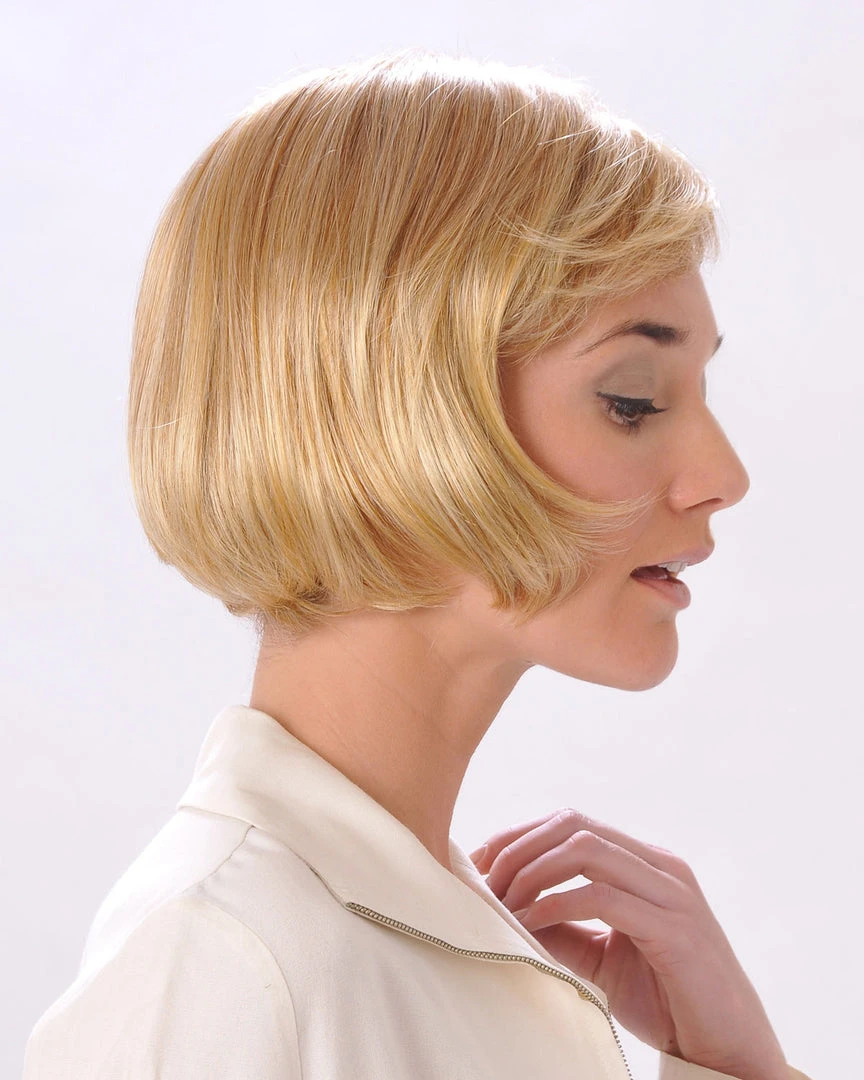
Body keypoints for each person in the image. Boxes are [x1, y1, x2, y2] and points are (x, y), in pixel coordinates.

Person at [22, 48, 812, 1080]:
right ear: (386, 412)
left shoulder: (411, 940)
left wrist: (736, 1065)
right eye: (633, 400)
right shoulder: (222, 962)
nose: (723, 477)